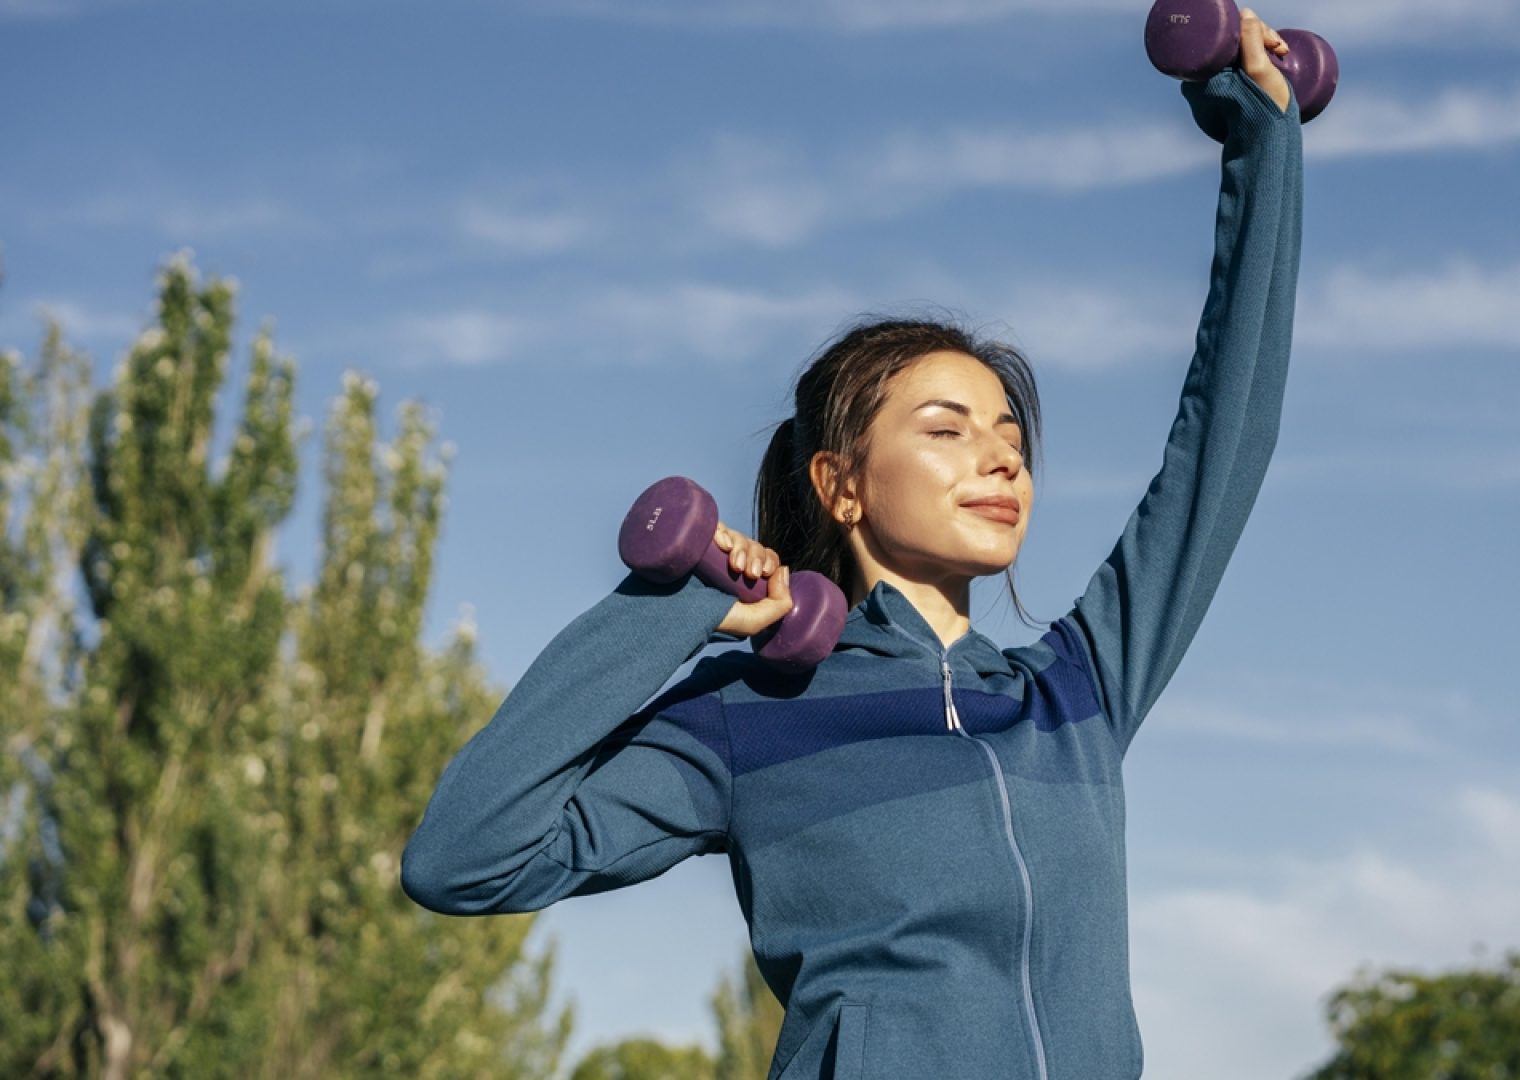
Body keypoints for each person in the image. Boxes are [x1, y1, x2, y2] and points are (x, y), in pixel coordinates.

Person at [402, 12, 1304, 1079]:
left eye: (1012, 437)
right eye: (948, 431)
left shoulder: (1076, 691)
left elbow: (1224, 442)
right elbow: (463, 860)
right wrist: (667, 611)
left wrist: (1265, 143)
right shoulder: (752, 718)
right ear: (839, 486)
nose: (1002, 461)